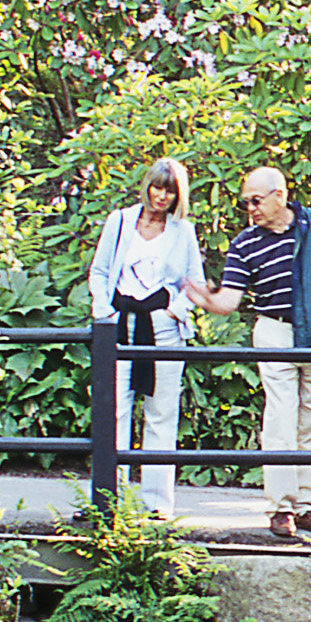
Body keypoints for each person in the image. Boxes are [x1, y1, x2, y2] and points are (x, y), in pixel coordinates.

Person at [204, 165, 311, 540]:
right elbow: (230, 299)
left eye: (256, 200)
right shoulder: (245, 242)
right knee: (280, 421)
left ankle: (309, 507)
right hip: (275, 331)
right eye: (245, 202)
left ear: (279, 195)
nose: (250, 208)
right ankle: (280, 509)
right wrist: (205, 298)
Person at [84, 159, 207, 518]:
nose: (161, 195)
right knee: (114, 411)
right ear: (147, 186)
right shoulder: (120, 221)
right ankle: (111, 501)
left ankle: (157, 504)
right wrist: (103, 310)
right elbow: (100, 270)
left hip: (163, 328)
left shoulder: (183, 231)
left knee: (161, 413)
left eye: (169, 190)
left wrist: (175, 311)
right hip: (119, 326)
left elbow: (193, 281)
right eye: (157, 186)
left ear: (178, 195)